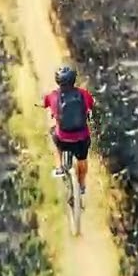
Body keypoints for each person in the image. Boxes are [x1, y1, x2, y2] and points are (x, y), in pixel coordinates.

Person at [43, 64, 95, 199]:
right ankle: (82, 185)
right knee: (82, 159)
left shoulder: (53, 96)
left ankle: (60, 167)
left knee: (54, 135)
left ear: (58, 81)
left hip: (63, 138)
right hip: (82, 138)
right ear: (74, 79)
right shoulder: (83, 94)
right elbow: (91, 105)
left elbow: (44, 104)